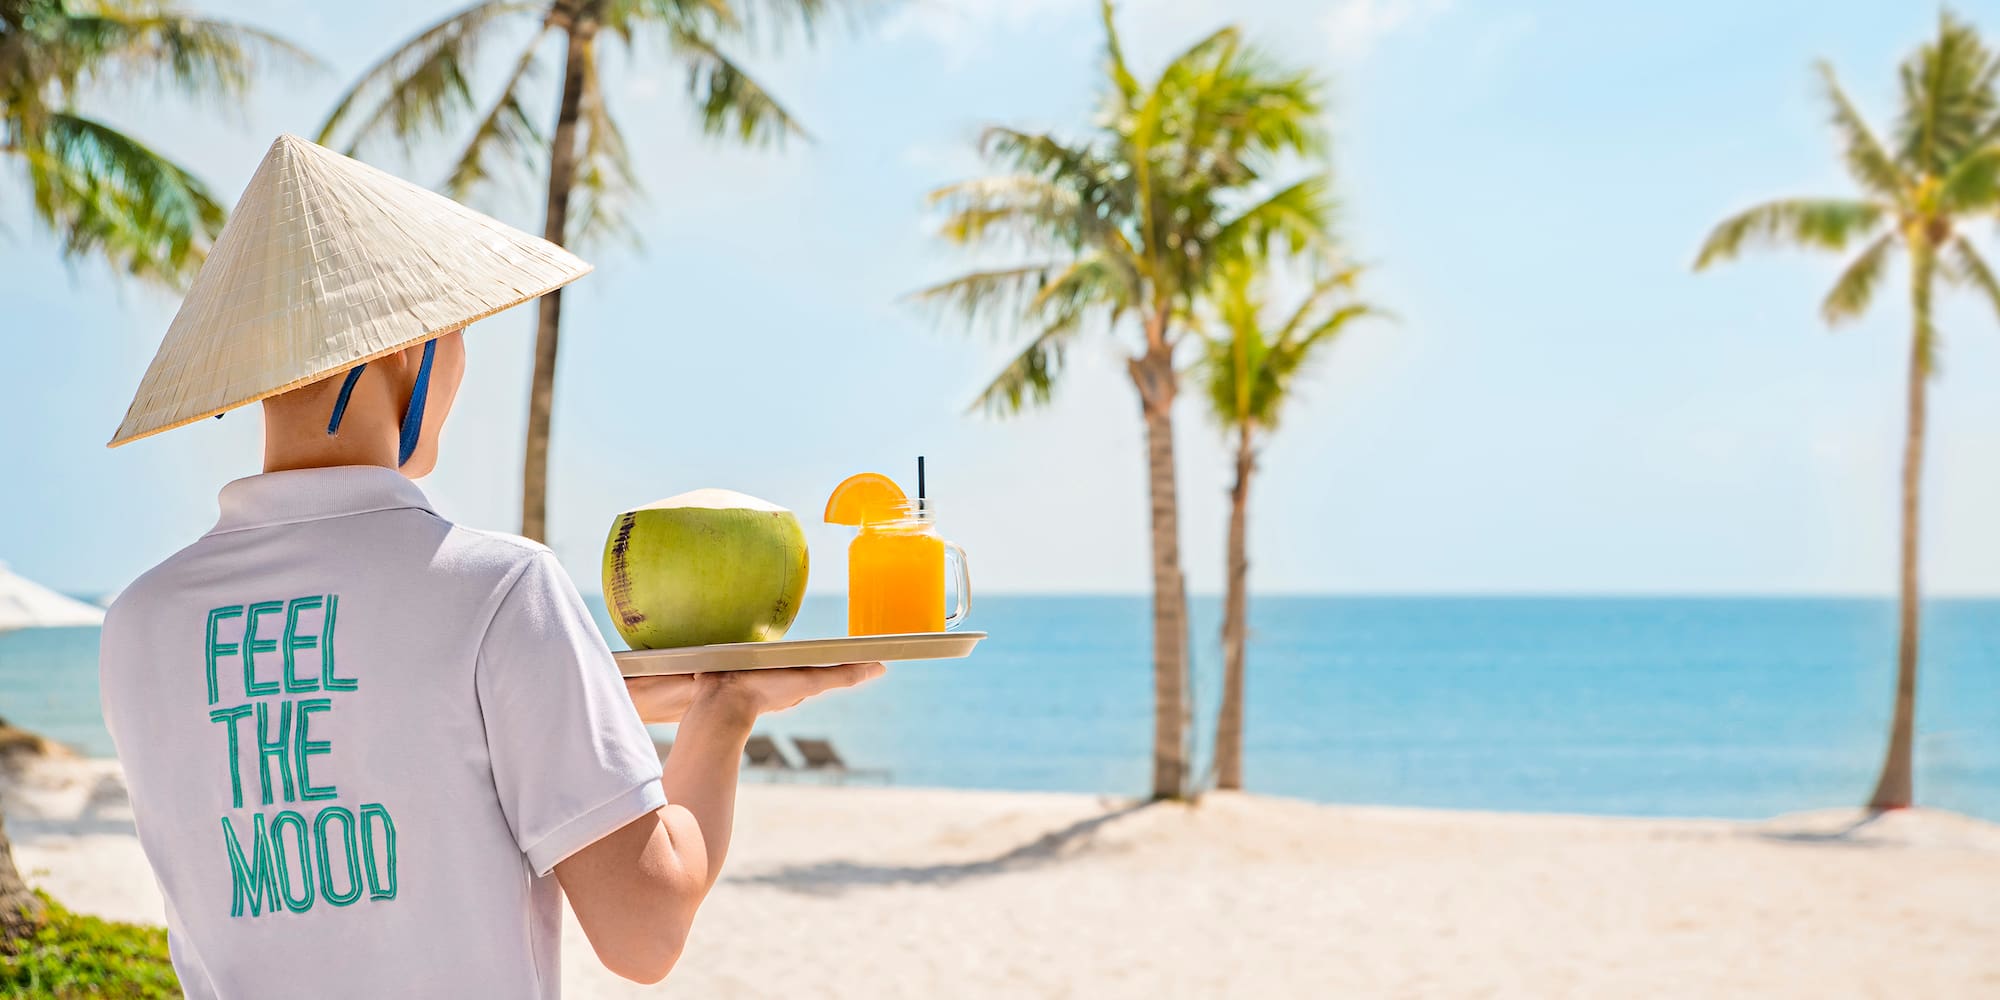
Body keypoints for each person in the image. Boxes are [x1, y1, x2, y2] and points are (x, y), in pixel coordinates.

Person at [97, 134, 881, 998]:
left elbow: (361, 733)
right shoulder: (500, 588)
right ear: (403, 348)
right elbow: (645, 931)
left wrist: (604, 694)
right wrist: (724, 711)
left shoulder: (138, 622)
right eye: (459, 337)